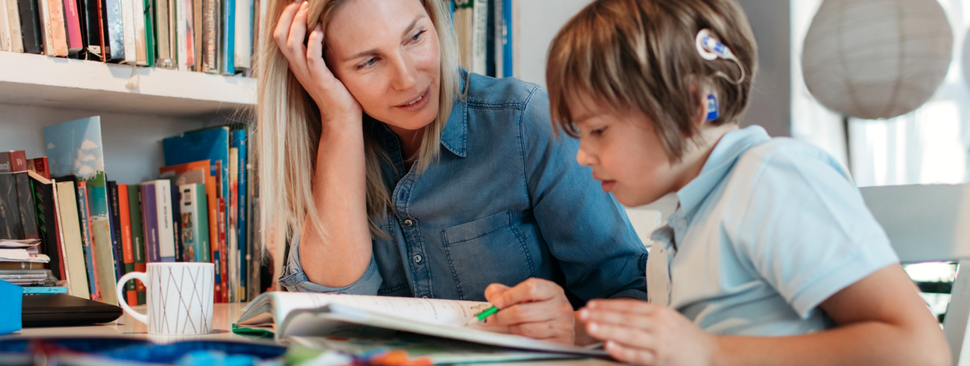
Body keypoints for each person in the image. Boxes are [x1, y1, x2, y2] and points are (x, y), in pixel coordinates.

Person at [545, 0, 950, 364]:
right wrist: (577, 331)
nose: (582, 155)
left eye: (597, 130)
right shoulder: (690, 220)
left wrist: (709, 352)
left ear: (691, 106)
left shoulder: (772, 179)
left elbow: (919, 350)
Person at [254, 0, 647, 344]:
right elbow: (325, 315)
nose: (408, 79)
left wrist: (573, 327)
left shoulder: (526, 122)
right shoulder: (327, 149)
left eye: (414, 37)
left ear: (435, 18)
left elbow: (635, 292)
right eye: (369, 61)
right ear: (320, 69)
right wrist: (339, 119)